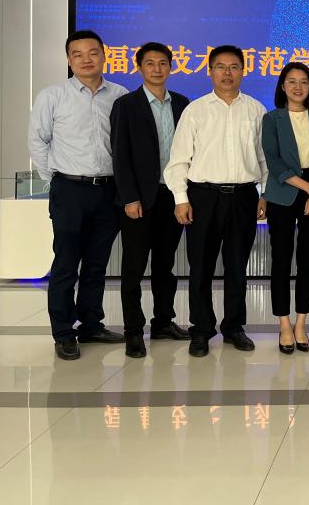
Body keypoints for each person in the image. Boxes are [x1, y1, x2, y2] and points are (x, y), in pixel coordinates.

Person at [28, 30, 128, 361]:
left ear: (104, 56)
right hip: (69, 190)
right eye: (77, 54)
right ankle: (63, 332)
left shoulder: (120, 95)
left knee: (97, 264)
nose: (86, 59)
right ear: (69, 60)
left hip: (108, 191)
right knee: (66, 263)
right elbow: (37, 141)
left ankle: (91, 325)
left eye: (92, 52)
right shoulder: (52, 96)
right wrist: (55, 179)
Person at [164, 45, 267, 358]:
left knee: (237, 266)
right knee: (201, 267)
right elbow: (179, 159)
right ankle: (201, 330)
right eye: (220, 67)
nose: (227, 73)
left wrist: (264, 193)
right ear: (210, 71)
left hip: (244, 196)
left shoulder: (256, 110)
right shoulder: (195, 110)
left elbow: (264, 158)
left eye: (234, 67)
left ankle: (234, 327)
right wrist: (181, 199)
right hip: (203, 197)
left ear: (243, 71)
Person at [110, 42, 191, 358]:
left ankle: (163, 322)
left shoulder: (182, 104)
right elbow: (120, 155)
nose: (157, 69)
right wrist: (129, 197)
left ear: (171, 67)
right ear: (139, 67)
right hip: (139, 201)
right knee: (133, 267)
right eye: (150, 63)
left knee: (165, 266)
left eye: (162, 63)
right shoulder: (126, 105)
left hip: (173, 196)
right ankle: (133, 331)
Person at [261, 62, 309, 355]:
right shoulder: (271, 119)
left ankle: (301, 322)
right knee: (281, 259)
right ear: (282, 86)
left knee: (307, 259)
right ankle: (284, 324)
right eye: (291, 81)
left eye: (304, 81)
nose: (298, 87)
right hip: (283, 193)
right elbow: (274, 163)